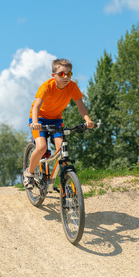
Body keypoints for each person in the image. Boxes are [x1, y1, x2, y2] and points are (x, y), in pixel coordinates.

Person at [23, 58, 95, 190]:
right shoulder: (46, 87)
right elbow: (36, 107)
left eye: (69, 73)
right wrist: (34, 123)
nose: (66, 77)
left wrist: (88, 120)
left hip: (56, 119)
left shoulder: (72, 87)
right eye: (62, 74)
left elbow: (81, 105)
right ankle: (29, 173)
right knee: (41, 148)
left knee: (62, 151)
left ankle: (67, 183)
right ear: (53, 75)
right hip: (39, 119)